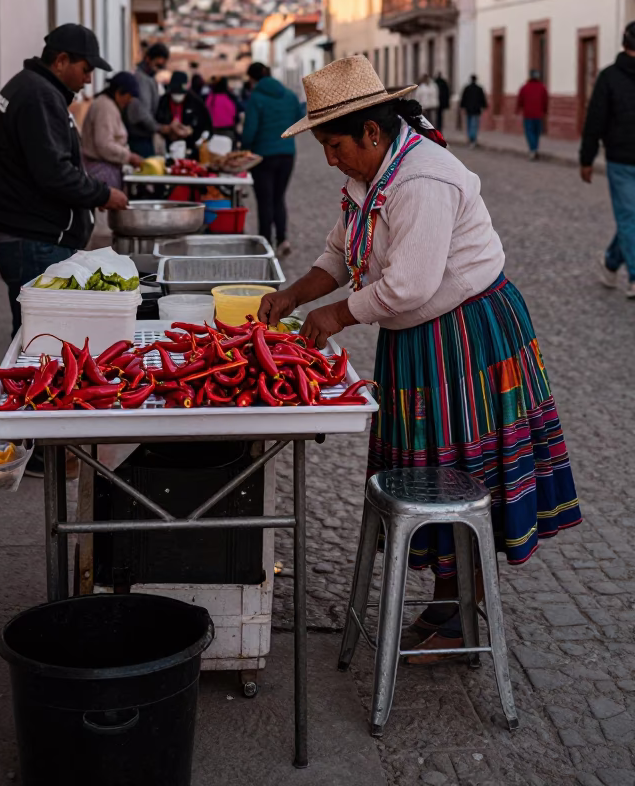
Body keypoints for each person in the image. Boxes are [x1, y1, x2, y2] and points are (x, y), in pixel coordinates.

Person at [259, 55, 580, 659]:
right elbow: (337, 255)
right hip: (418, 337)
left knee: (463, 466)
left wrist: (333, 317)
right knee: (426, 460)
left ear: (372, 133)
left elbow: (408, 285)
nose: (329, 158)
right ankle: (447, 596)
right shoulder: (366, 177)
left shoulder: (422, 180)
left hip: (466, 333)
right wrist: (293, 295)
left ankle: (462, 607)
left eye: (334, 145)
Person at [0, 24, 128, 335]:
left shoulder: (29, 87)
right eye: (86, 69)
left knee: (36, 332)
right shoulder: (39, 96)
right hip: (34, 239)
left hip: (25, 234)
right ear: (61, 60)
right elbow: (55, 173)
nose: (89, 79)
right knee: (44, 337)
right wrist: (102, 194)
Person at [580, 22, 635, 297]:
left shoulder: (608, 76)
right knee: (629, 217)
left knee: (630, 218)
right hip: (622, 161)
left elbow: (594, 120)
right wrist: (586, 157)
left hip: (620, 158)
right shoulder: (610, 77)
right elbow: (596, 120)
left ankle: (612, 261)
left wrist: (586, 158)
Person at [241, 62, 302, 256]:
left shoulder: (256, 98)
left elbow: (250, 129)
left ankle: (266, 243)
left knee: (264, 200)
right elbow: (300, 117)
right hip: (287, 154)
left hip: (263, 157)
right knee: (278, 197)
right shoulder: (290, 95)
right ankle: (282, 239)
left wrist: (244, 149)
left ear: (252, 79)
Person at [81, 71, 143, 189]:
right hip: (101, 172)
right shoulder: (105, 107)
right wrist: (129, 156)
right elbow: (104, 144)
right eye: (129, 97)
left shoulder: (108, 105)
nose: (129, 101)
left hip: (106, 169)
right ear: (119, 92)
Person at [126, 41, 169, 157]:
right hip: (139, 137)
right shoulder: (141, 78)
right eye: (158, 65)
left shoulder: (149, 78)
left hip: (145, 135)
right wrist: (159, 128)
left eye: (162, 67)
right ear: (148, 59)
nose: (158, 70)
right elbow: (142, 112)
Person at [156, 70, 212, 157]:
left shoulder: (196, 102)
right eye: (175, 92)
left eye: (180, 93)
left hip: (191, 148)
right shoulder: (163, 101)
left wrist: (192, 131)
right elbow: (157, 120)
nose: (177, 96)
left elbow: (206, 125)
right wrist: (168, 129)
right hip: (168, 147)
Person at [516, 69, 549, 160]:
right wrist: (545, 111)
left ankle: (533, 150)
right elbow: (545, 100)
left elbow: (520, 100)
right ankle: (535, 149)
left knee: (530, 133)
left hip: (528, 115)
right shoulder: (542, 87)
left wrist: (518, 109)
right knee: (536, 133)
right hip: (538, 115)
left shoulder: (525, 87)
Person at [460, 75, 487, 147]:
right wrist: (484, 106)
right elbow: (482, 99)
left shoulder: (467, 88)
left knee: (469, 124)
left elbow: (463, 98)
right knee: (474, 125)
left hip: (468, 109)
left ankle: (470, 138)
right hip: (476, 110)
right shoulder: (479, 89)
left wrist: (462, 107)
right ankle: (473, 139)